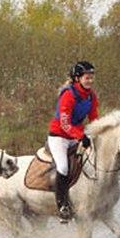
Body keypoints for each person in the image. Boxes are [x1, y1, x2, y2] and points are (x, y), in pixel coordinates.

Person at [47, 61, 99, 223]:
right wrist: (80, 136)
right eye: (87, 77)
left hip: (76, 136)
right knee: (63, 167)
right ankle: (62, 206)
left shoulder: (91, 95)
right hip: (59, 137)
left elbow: (94, 118)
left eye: (91, 77)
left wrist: (98, 133)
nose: (90, 80)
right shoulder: (68, 94)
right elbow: (64, 123)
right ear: (77, 78)